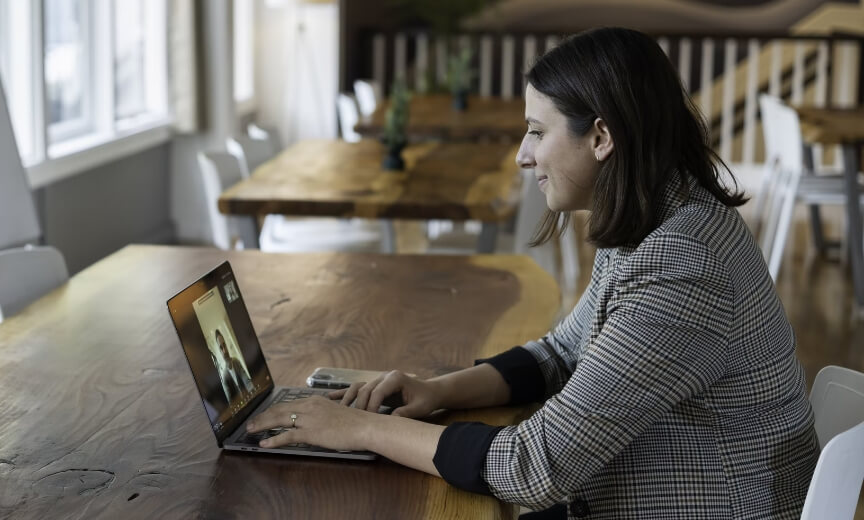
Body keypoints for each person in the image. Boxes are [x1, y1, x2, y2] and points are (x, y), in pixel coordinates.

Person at [246, 27, 819, 519]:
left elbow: (534, 466)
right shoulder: (657, 215)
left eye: (538, 131)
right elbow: (560, 353)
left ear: (600, 137)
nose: (523, 155)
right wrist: (434, 391)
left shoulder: (685, 263)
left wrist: (359, 432)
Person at [216, 329, 253, 395]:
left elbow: (247, 381)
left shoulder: (236, 362)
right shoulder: (224, 377)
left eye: (224, 345)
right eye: (221, 348)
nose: (224, 351)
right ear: (219, 351)